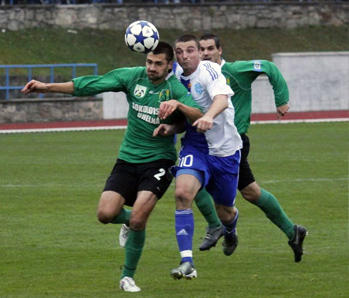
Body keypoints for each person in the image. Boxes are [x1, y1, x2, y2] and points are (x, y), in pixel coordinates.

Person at [21, 42, 204, 292]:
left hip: (159, 160)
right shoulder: (132, 77)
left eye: (158, 63)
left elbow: (198, 116)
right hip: (127, 158)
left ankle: (127, 277)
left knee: (140, 216)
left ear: (169, 65)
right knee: (105, 214)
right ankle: (131, 222)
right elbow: (89, 84)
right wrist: (46, 86)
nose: (151, 68)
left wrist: (179, 108)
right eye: (149, 62)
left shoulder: (174, 88)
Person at [194, 32, 307, 262]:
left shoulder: (235, 71)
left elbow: (269, 67)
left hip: (232, 145)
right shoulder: (198, 76)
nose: (205, 53)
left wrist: (281, 99)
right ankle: (292, 232)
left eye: (209, 49)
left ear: (220, 50)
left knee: (197, 183)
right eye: (202, 49)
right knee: (251, 193)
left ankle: (222, 229)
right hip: (208, 143)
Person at [157, 34, 243, 280]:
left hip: (225, 150)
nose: (185, 56)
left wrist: (208, 116)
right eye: (180, 52)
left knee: (225, 209)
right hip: (195, 147)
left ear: (199, 52)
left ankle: (230, 227)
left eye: (190, 50)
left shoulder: (209, 70)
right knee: (182, 193)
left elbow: (222, 100)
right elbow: (185, 120)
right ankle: (187, 262)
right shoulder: (173, 80)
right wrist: (172, 129)